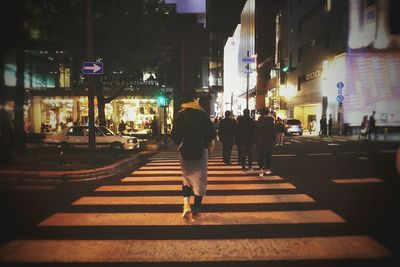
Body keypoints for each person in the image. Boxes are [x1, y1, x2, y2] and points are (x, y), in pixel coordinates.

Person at [170, 90, 216, 221]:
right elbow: (211, 133)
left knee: (187, 179)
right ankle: (196, 212)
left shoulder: (180, 115)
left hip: (184, 152)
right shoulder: (202, 114)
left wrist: (182, 143)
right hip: (200, 152)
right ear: (195, 100)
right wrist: (203, 142)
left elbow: (174, 136)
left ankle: (186, 204)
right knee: (200, 182)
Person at [255, 108, 275, 178]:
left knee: (260, 155)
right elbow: (273, 132)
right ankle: (268, 169)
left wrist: (256, 140)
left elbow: (256, 132)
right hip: (269, 140)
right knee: (268, 155)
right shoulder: (271, 121)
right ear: (268, 113)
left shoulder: (259, 122)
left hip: (260, 140)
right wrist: (273, 139)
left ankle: (261, 169)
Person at [236, 109, 255, 174]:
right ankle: (250, 166)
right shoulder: (251, 120)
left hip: (242, 140)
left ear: (243, 113)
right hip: (250, 140)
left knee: (243, 154)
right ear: (249, 113)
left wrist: (238, 140)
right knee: (250, 154)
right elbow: (253, 131)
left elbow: (238, 131)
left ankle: (243, 166)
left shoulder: (241, 121)